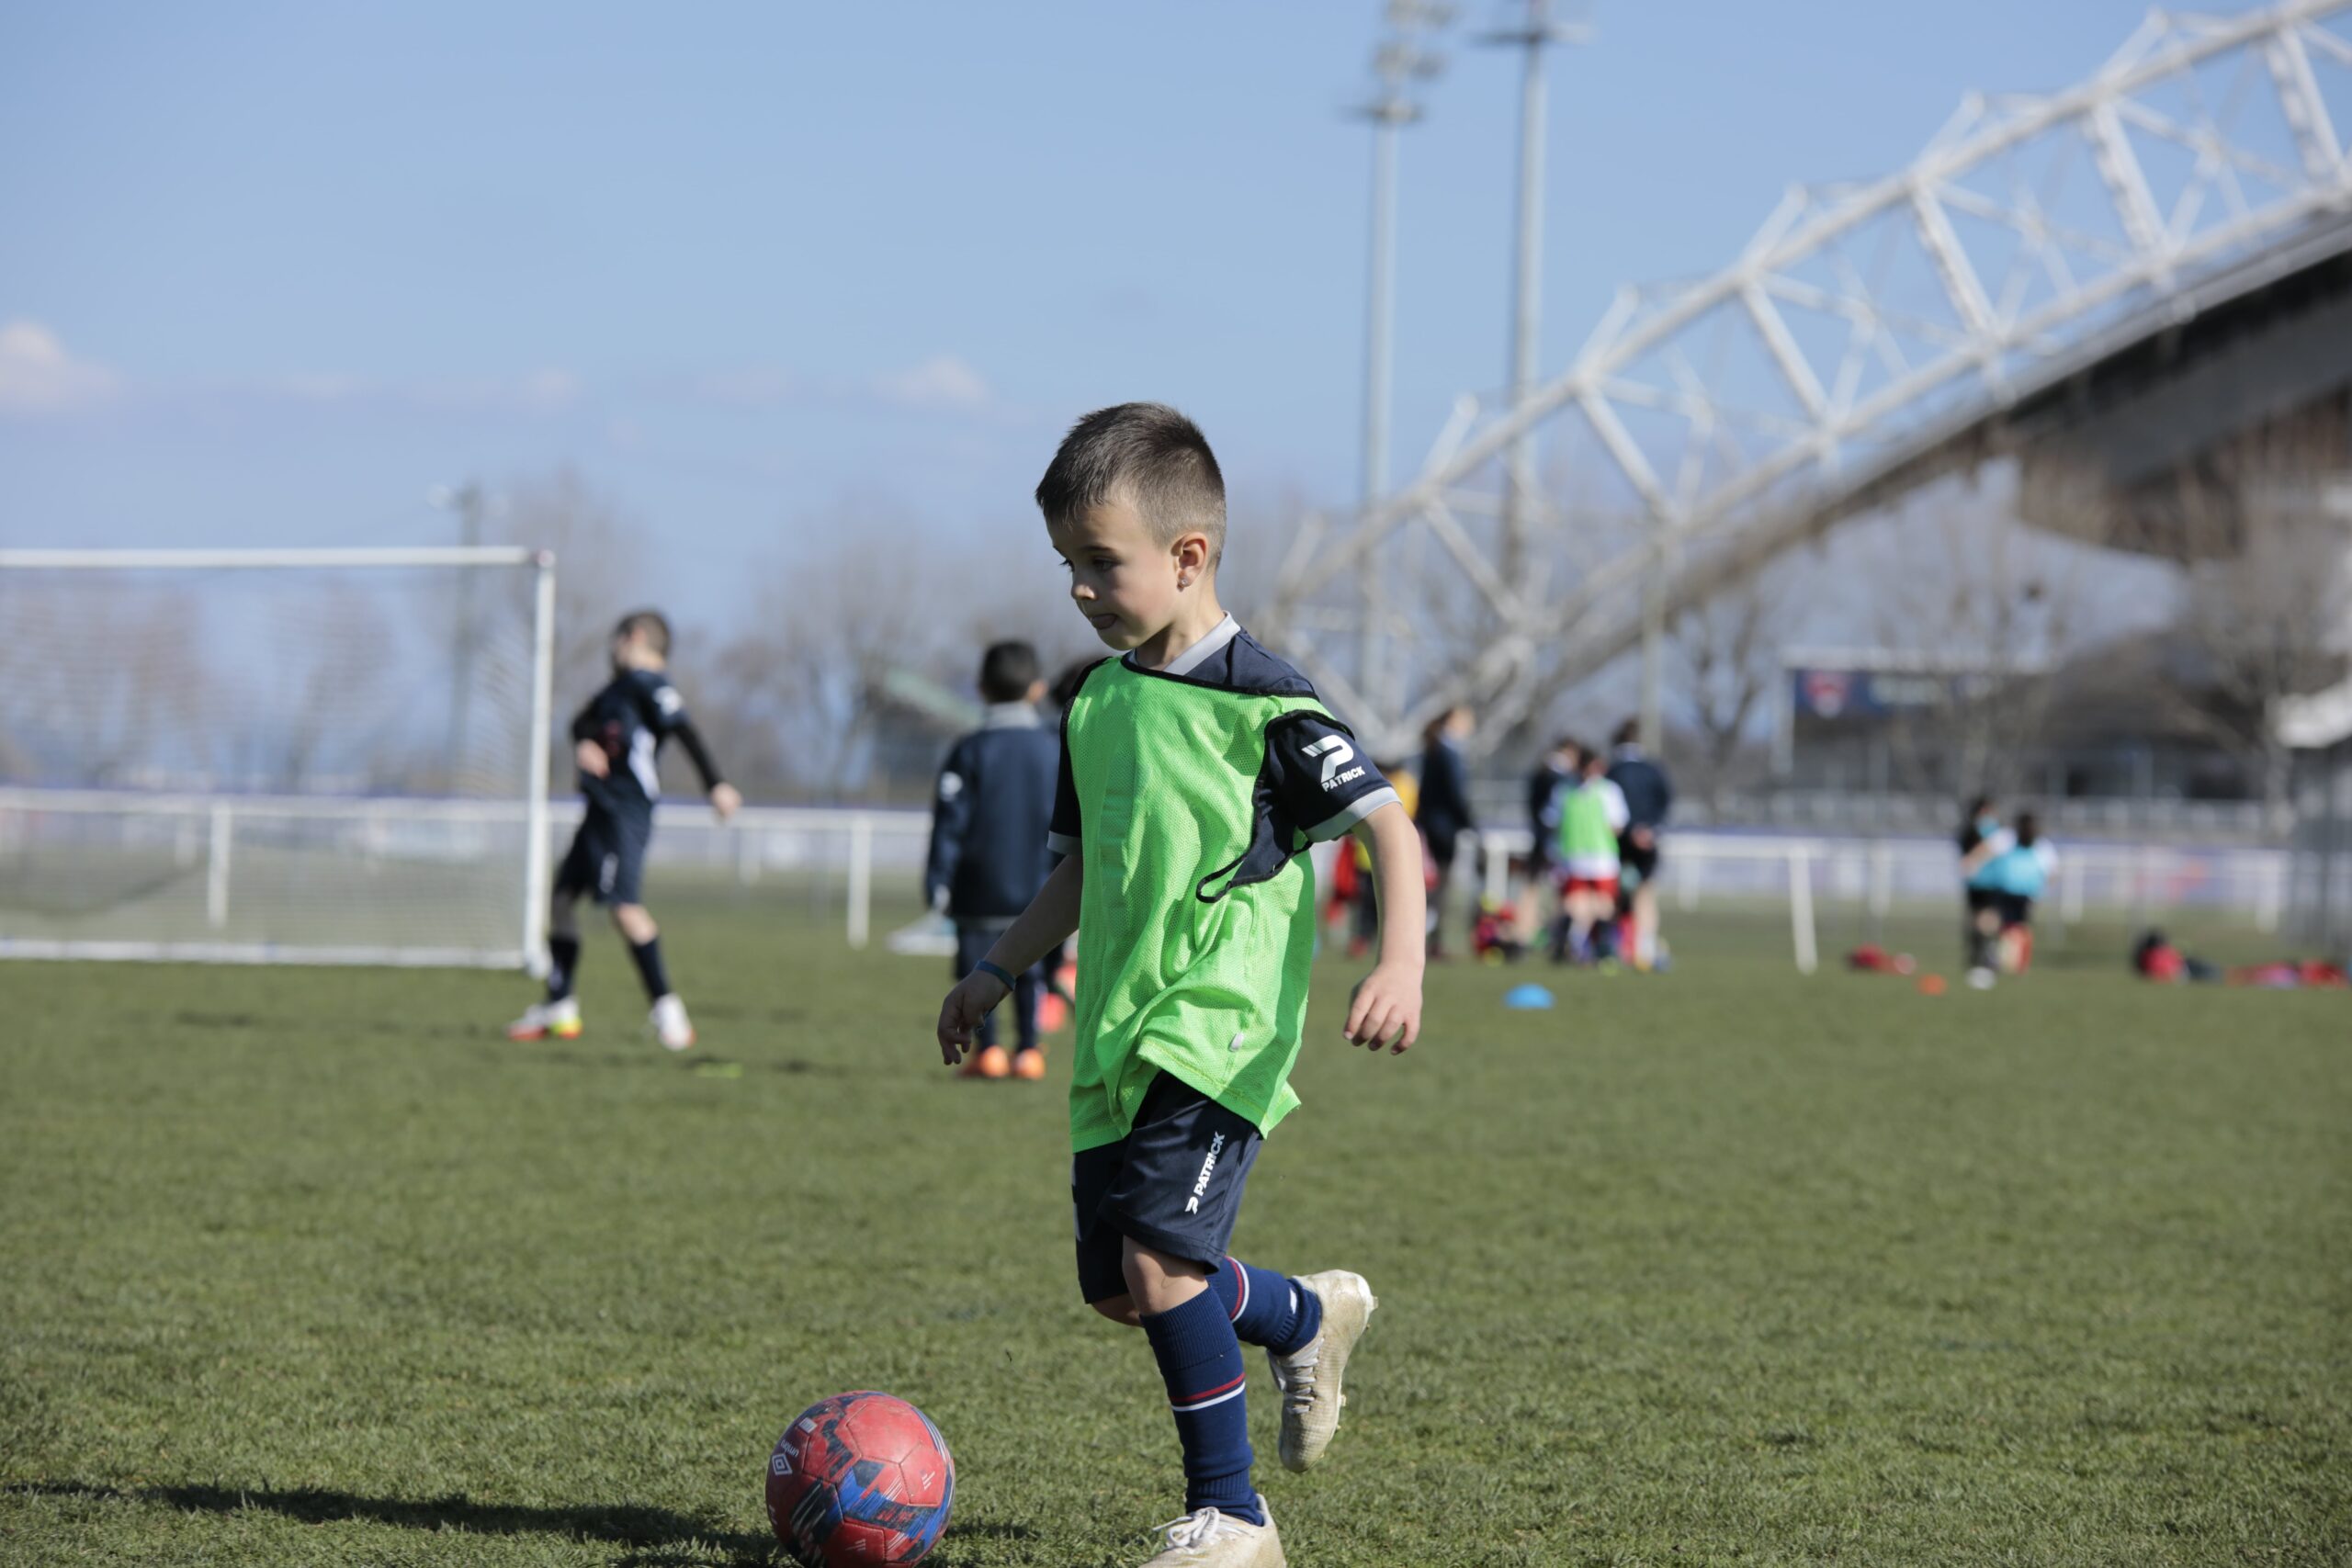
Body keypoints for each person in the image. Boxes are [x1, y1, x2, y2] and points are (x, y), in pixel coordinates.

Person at [933, 403, 1426, 1567]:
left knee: (1160, 1265)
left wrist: (1400, 960)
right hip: (1116, 1031)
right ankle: (1304, 1316)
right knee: (1124, 1286)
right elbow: (1081, 871)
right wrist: (996, 969)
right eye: (1067, 563)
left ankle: (1234, 1518)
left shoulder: (1269, 705)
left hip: (1218, 1027)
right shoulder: (1098, 703)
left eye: (1100, 562)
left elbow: (1388, 827)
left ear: (1188, 556)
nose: (1080, 589)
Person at [507, 610, 739, 1050]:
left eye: (615, 641)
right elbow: (580, 722)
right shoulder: (616, 689)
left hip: (624, 812)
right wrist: (585, 741)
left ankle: (670, 1014)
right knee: (561, 901)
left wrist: (716, 784)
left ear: (634, 637)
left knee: (625, 909)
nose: (610, 650)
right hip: (599, 811)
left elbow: (684, 730)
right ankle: (559, 1005)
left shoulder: (651, 684)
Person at [925, 639, 1061, 1082]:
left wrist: (938, 879)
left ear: (981, 688)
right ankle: (1029, 1051)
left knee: (977, 968)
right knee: (1030, 967)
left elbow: (949, 823)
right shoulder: (1054, 749)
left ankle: (989, 1052)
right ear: (1037, 689)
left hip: (976, 889)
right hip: (1040, 889)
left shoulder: (969, 750)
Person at [1549, 742, 1628, 966]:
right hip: (1589, 856)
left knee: (1585, 904)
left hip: (1588, 856)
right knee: (1589, 904)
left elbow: (1553, 822)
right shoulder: (1604, 790)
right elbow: (1617, 825)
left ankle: (1577, 946)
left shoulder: (1567, 790)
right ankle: (1593, 948)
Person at [1604, 719, 1673, 971]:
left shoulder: (1612, 771)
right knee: (1645, 893)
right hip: (1648, 840)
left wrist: (1631, 830)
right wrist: (1650, 829)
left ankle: (1615, 947)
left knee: (1614, 895)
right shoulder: (1653, 769)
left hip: (1619, 841)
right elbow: (1665, 801)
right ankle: (1646, 948)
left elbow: (1609, 807)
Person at [1416, 705, 1477, 958]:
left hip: (1432, 824)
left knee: (1436, 885)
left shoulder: (1433, 749)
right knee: (1441, 886)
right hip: (1445, 827)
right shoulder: (1448, 752)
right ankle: (1432, 939)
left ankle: (1429, 938)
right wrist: (1469, 822)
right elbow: (1455, 792)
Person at [1979, 811, 2056, 976]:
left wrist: (2041, 891)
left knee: (2018, 928)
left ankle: (2015, 963)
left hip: (2025, 893)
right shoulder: (2008, 838)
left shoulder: (2041, 846)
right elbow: (1987, 850)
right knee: (2003, 925)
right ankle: (2005, 960)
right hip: (2005, 890)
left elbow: (2051, 872)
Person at [1521, 738, 1577, 944]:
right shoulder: (1562, 778)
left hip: (1539, 838)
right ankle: (1555, 934)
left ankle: (1525, 930)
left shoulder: (1540, 773)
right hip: (1555, 841)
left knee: (1532, 886)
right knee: (1559, 891)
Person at [1956, 795, 2009, 989]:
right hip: (1985, 882)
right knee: (1984, 920)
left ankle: (1983, 954)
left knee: (1983, 920)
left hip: (1985, 882)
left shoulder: (1979, 831)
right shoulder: (1982, 830)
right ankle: (1984, 954)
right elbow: (1982, 850)